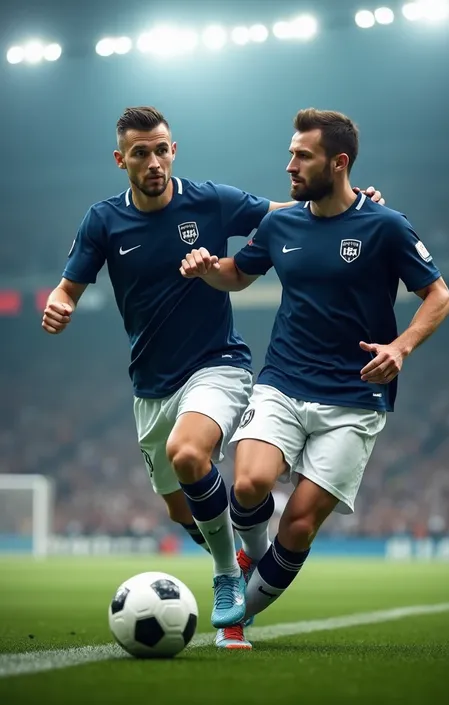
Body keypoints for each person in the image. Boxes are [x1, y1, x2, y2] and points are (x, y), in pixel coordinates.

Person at [42, 105, 384, 641]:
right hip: (150, 385)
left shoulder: (211, 201)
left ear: (173, 150)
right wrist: (58, 304)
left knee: (189, 453)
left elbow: (288, 214)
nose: (154, 161)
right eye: (140, 153)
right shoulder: (103, 221)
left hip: (216, 366)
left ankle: (229, 573)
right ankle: (248, 557)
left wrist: (357, 204)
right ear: (121, 159)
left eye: (162, 149)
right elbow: (69, 286)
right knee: (185, 513)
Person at [180, 108, 449, 649]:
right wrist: (213, 270)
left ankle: (237, 616)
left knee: (299, 525)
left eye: (302, 156)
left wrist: (401, 347)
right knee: (249, 483)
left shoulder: (386, 226)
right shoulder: (281, 223)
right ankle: (239, 578)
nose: (290, 166)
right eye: (290, 154)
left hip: (356, 396)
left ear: (339, 162)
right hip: (284, 378)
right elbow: (241, 273)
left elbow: (438, 296)